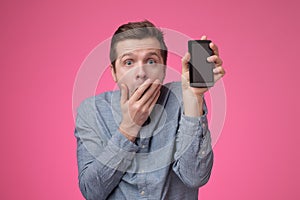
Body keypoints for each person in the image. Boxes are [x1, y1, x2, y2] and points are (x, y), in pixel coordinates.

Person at [74, 20, 225, 200]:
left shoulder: (184, 96)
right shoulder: (92, 111)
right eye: (128, 62)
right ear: (114, 72)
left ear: (163, 69)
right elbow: (92, 192)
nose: (141, 73)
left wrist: (193, 100)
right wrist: (129, 128)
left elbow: (195, 177)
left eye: (151, 61)